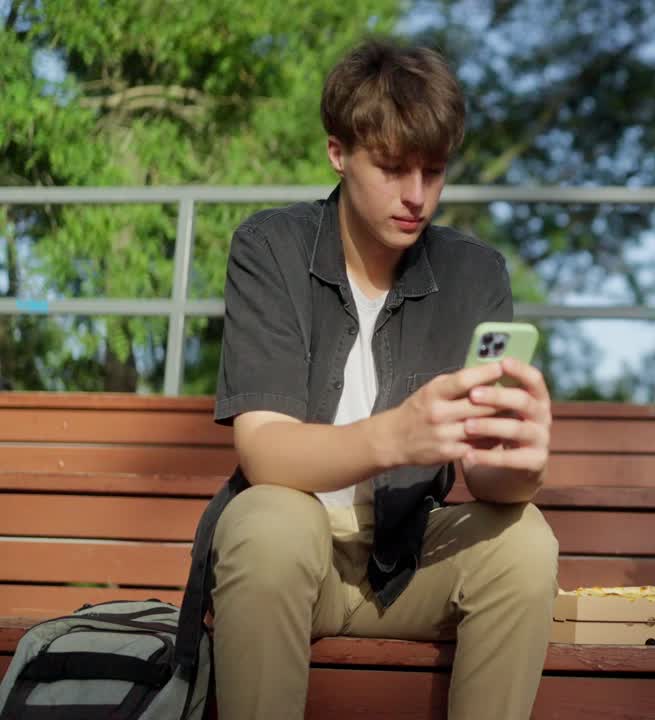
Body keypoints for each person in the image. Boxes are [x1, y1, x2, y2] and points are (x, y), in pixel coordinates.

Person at [194, 38, 558, 719]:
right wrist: (399, 435)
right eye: (392, 168)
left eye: (435, 171)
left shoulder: (476, 272)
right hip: (295, 554)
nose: (416, 197)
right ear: (338, 153)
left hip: (413, 560)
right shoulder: (271, 247)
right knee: (267, 518)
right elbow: (264, 450)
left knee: (525, 539)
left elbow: (488, 483)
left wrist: (521, 465)